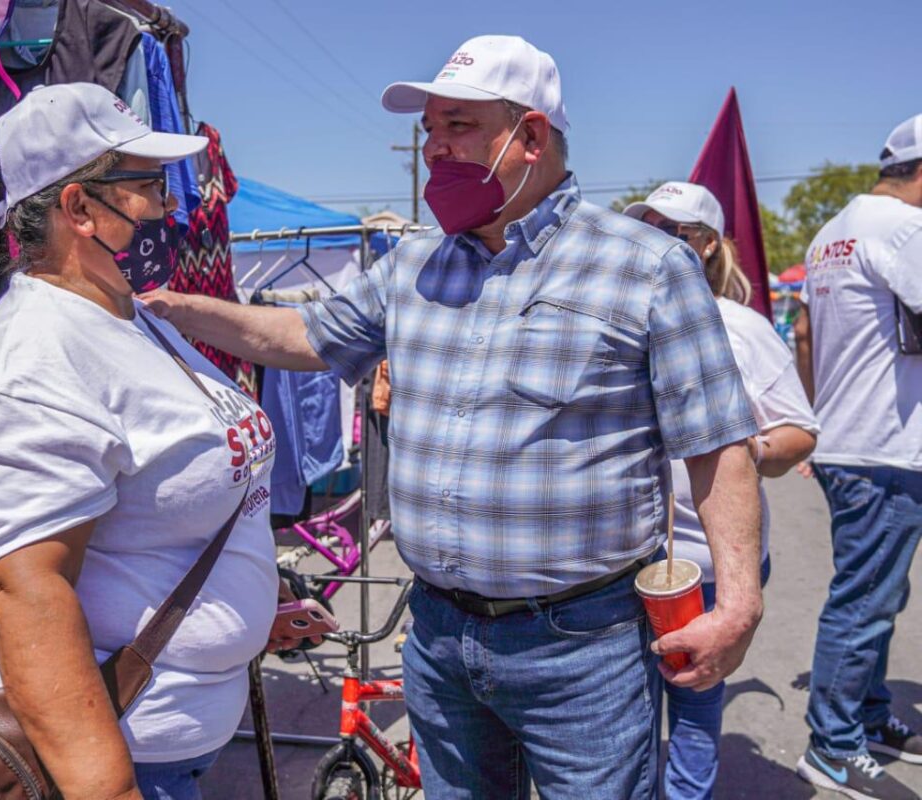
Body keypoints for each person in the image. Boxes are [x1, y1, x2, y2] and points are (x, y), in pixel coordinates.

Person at [144, 35, 765, 798]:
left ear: (530, 136)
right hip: (439, 636)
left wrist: (739, 603)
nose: (435, 147)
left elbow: (719, 445)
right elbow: (306, 336)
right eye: (429, 129)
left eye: (459, 126)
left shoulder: (647, 265)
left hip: (584, 649)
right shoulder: (412, 265)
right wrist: (177, 310)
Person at [0, 83, 288, 800]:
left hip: (162, 740)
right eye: (149, 186)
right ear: (80, 208)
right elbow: (26, 592)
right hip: (85, 762)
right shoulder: (27, 369)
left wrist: (251, 602)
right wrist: (109, 790)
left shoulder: (127, 317)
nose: (170, 208)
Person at [625, 183, 819, 799]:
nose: (653, 242)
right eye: (645, 229)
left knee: (693, 697)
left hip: (702, 564)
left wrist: (738, 452)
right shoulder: (615, 317)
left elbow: (799, 432)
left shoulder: (740, 327)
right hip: (620, 559)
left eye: (672, 232)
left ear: (707, 245)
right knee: (623, 711)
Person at [794, 113, 922, 800]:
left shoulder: (833, 231)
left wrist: (817, 416)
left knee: (877, 592)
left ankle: (867, 716)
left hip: (848, 438)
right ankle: (832, 745)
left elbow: (805, 335)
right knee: (866, 599)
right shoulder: (904, 230)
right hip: (885, 445)